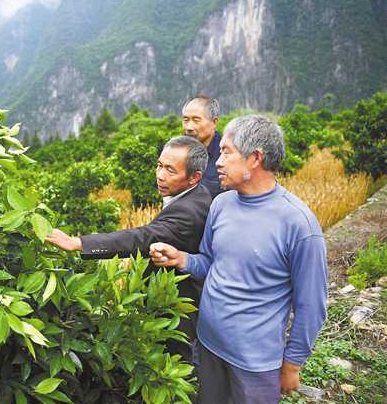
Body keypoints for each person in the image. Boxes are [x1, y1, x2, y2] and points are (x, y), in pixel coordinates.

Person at [150, 115, 328, 403]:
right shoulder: (221, 204)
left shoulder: (298, 224)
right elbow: (210, 263)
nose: (217, 162)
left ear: (255, 158)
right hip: (207, 347)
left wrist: (293, 364)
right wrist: (182, 258)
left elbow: (312, 305)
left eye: (226, 152)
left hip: (255, 365)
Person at [45, 135, 212, 363]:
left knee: (177, 372)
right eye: (159, 165)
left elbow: (141, 238)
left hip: (178, 311)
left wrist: (78, 243)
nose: (160, 175)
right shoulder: (194, 194)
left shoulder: (188, 211)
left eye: (170, 171)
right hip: (174, 304)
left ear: (194, 177)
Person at [182, 95, 224, 199]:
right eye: (186, 120)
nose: (189, 127)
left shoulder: (227, 155)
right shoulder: (178, 151)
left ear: (214, 122)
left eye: (196, 120)